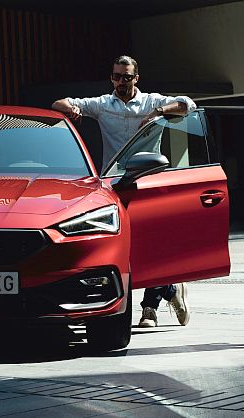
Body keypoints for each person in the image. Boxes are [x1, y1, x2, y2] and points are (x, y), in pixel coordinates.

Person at [52, 55, 195, 328]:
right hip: (116, 184)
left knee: (155, 245)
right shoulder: (104, 104)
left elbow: (189, 104)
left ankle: (149, 309)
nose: (121, 82)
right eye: (116, 76)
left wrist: (159, 113)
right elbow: (58, 103)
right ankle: (173, 291)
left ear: (136, 78)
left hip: (150, 180)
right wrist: (73, 110)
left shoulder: (152, 101)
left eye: (126, 77)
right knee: (129, 247)